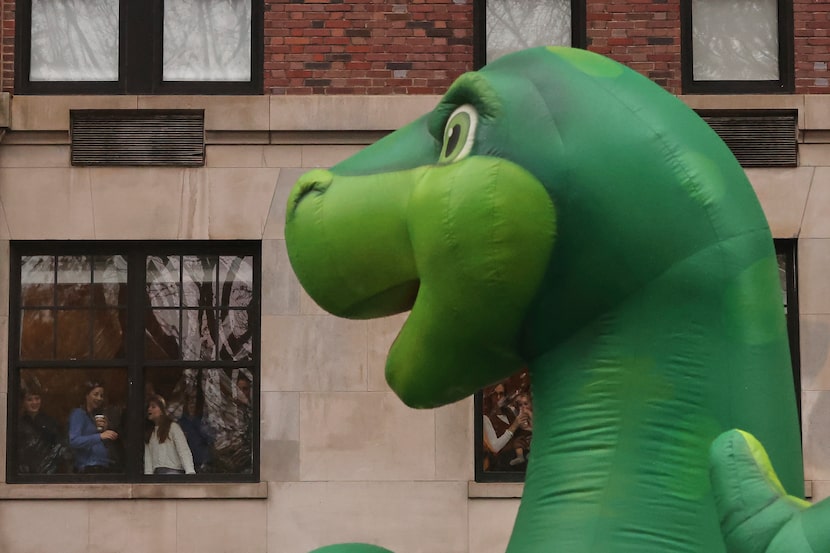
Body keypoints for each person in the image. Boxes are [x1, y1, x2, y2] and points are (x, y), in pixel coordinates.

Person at [68, 381, 120, 473]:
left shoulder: (95, 416)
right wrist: (100, 436)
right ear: (87, 395)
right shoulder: (79, 414)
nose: (99, 398)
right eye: (96, 394)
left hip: (103, 465)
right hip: (88, 468)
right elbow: (74, 441)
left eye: (101, 395)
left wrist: (105, 430)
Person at [17, 387, 66, 474]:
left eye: (37, 398)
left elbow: (59, 445)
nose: (34, 402)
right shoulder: (18, 424)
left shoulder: (51, 422)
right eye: (29, 400)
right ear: (23, 402)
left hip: (48, 472)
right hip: (25, 473)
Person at [482, 383, 529, 471]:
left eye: (501, 394)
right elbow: (495, 447)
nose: (498, 397)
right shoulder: (485, 418)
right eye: (495, 394)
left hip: (518, 463)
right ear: (490, 396)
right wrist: (514, 425)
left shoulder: (511, 411)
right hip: (500, 467)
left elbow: (522, 429)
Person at [144, 394, 195, 475]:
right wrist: (148, 476)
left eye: (153, 407)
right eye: (148, 407)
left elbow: (183, 450)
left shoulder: (173, 427)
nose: (149, 409)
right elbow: (148, 458)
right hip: (156, 474)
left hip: (173, 472)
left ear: (161, 410)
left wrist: (190, 472)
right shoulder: (150, 432)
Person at [178, 391, 213, 472]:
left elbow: (210, 439)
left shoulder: (204, 421)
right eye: (190, 401)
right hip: (186, 464)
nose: (192, 404)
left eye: (194, 401)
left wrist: (196, 421)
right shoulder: (181, 423)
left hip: (203, 463)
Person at [509, 393, 533, 466]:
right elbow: (520, 426)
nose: (523, 407)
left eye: (526, 404)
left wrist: (529, 414)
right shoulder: (519, 415)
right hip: (523, 436)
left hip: (533, 436)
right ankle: (520, 457)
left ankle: (532, 454)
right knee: (517, 442)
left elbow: (535, 425)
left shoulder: (532, 414)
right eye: (520, 405)